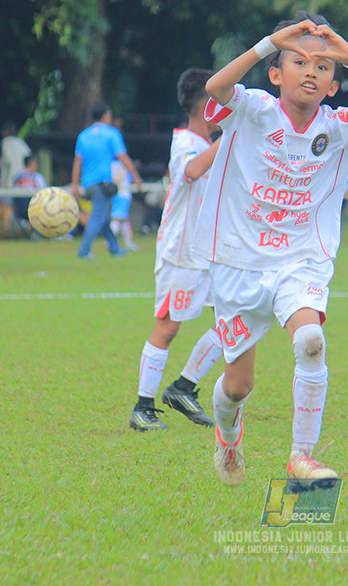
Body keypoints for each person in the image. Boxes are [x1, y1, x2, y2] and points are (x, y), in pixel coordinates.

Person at [194, 11, 348, 486]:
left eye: (323, 67)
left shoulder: (339, 124)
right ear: (275, 74)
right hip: (238, 263)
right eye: (299, 61)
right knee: (238, 386)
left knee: (311, 342)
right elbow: (216, 89)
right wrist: (266, 41)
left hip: (301, 259)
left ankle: (300, 457)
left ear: (331, 84)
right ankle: (228, 433)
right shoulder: (252, 108)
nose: (311, 71)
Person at [129, 68, 226, 431]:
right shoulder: (186, 143)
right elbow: (191, 171)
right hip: (182, 252)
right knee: (168, 327)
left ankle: (183, 387)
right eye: (222, 101)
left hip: (214, 253)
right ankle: (143, 407)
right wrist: (232, 135)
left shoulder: (211, 143)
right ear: (207, 106)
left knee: (235, 322)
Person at [70, 103, 144, 259]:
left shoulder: (84, 135)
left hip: (87, 182)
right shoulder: (112, 134)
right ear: (104, 115)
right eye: (109, 114)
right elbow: (122, 156)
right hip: (102, 182)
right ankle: (84, 251)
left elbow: (78, 161)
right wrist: (135, 175)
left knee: (103, 217)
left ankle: (115, 248)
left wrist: (75, 184)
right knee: (97, 217)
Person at [0, 121, 32, 228]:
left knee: (6, 205)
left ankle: (6, 228)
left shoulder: (6, 142)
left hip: (10, 180)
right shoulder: (21, 143)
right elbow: (29, 158)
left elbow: (7, 160)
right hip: (23, 180)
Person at [11, 155, 47, 225]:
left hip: (18, 209)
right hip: (33, 208)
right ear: (32, 163)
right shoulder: (37, 176)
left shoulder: (16, 176)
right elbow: (43, 192)